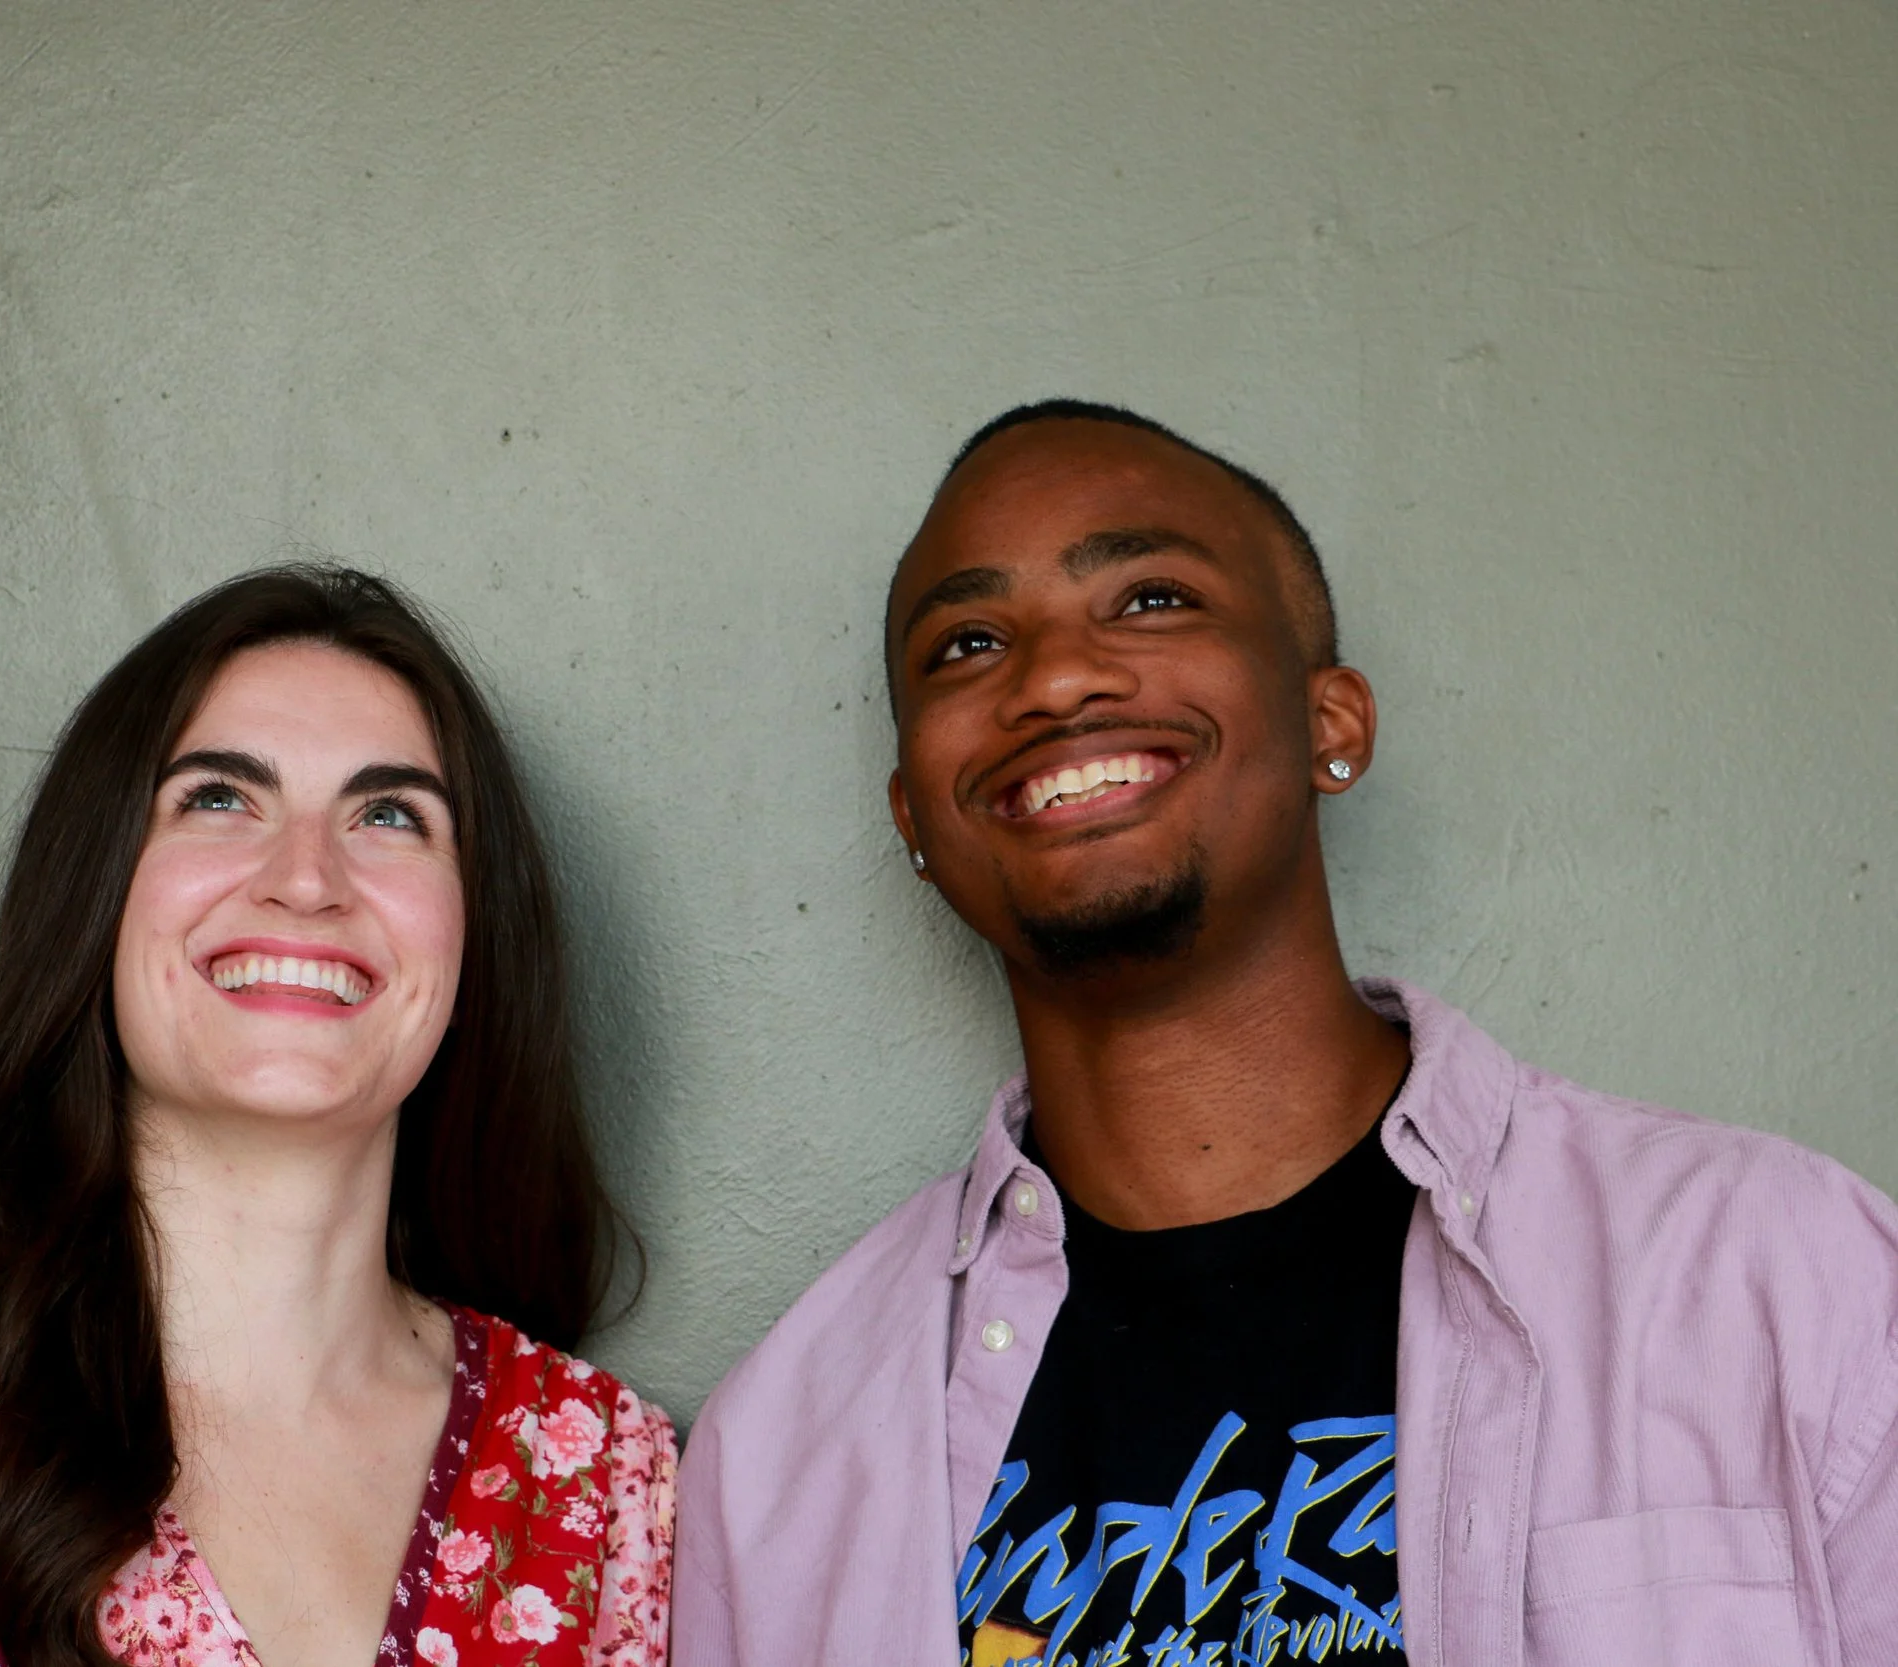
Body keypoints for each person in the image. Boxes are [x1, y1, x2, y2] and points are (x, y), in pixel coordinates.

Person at [671, 401, 1898, 1667]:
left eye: (1150, 599)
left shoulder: (1777, 1283)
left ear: (1332, 723)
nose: (1051, 677)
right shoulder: (782, 1449)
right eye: (968, 642)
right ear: (912, 816)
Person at [0, 567, 674, 1667]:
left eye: (390, 813)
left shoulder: (607, 1477)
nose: (307, 878)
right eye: (219, 797)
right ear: (96, 889)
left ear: (474, 934)